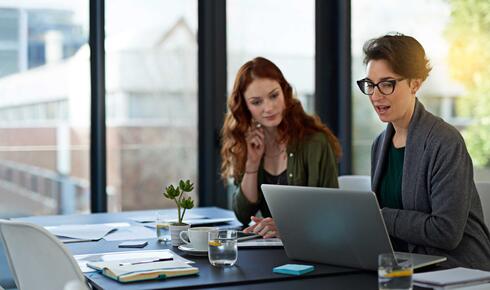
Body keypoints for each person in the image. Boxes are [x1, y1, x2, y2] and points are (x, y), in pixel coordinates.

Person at [357, 33, 490, 269]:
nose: (376, 95)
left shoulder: (445, 141)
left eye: (387, 84)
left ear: (415, 84)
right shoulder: (380, 144)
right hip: (404, 265)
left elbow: (445, 231)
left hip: (454, 269)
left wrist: (379, 216)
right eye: (370, 84)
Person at [221, 57, 341, 238]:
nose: (268, 107)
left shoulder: (316, 142)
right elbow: (243, 214)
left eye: (273, 96)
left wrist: (287, 226)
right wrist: (252, 164)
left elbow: (332, 214)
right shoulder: (248, 143)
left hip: (310, 249)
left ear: (284, 93)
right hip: (266, 249)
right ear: (245, 107)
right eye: (256, 102)